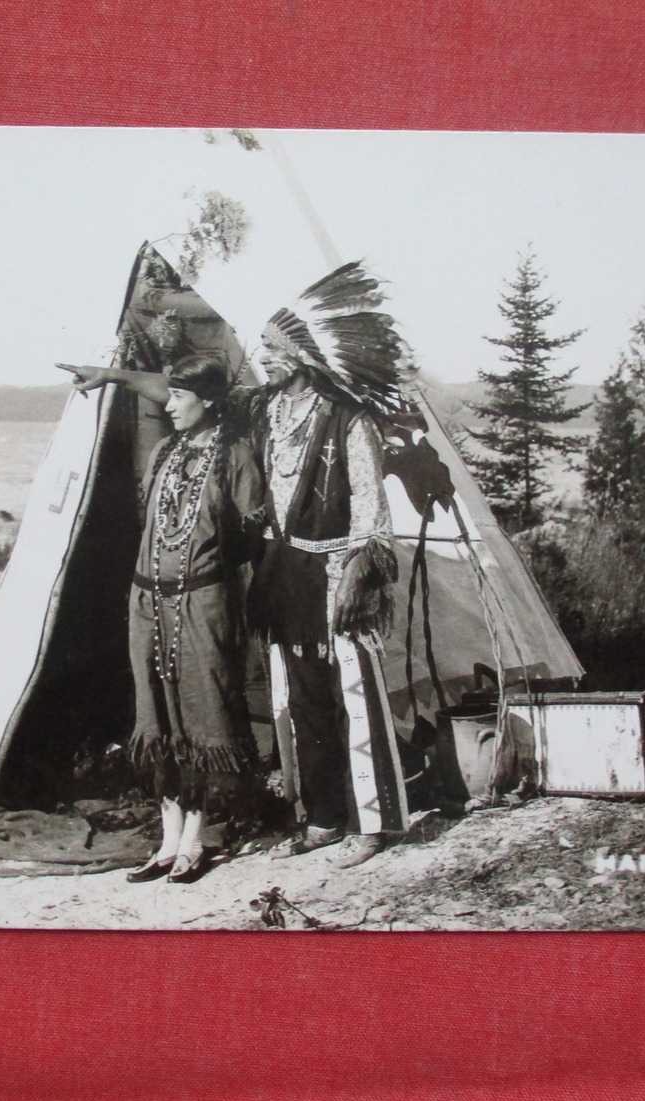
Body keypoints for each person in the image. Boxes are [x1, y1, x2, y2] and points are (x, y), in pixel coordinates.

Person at [61, 262, 411, 871]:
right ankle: (323, 817)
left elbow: (373, 515)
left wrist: (358, 576)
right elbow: (185, 393)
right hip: (283, 574)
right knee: (299, 704)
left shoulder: (349, 421)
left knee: (351, 695)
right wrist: (113, 374)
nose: (266, 360)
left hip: (336, 577)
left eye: (276, 351)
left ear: (303, 355)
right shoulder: (266, 409)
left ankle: (375, 823)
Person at [59, 354, 265, 884]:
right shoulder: (165, 452)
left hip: (203, 603)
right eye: (168, 394)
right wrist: (108, 375)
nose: (168, 405)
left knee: (204, 714)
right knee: (156, 716)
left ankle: (199, 840)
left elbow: (252, 538)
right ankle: (168, 837)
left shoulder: (235, 457)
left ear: (210, 400)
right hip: (148, 602)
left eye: (179, 396)